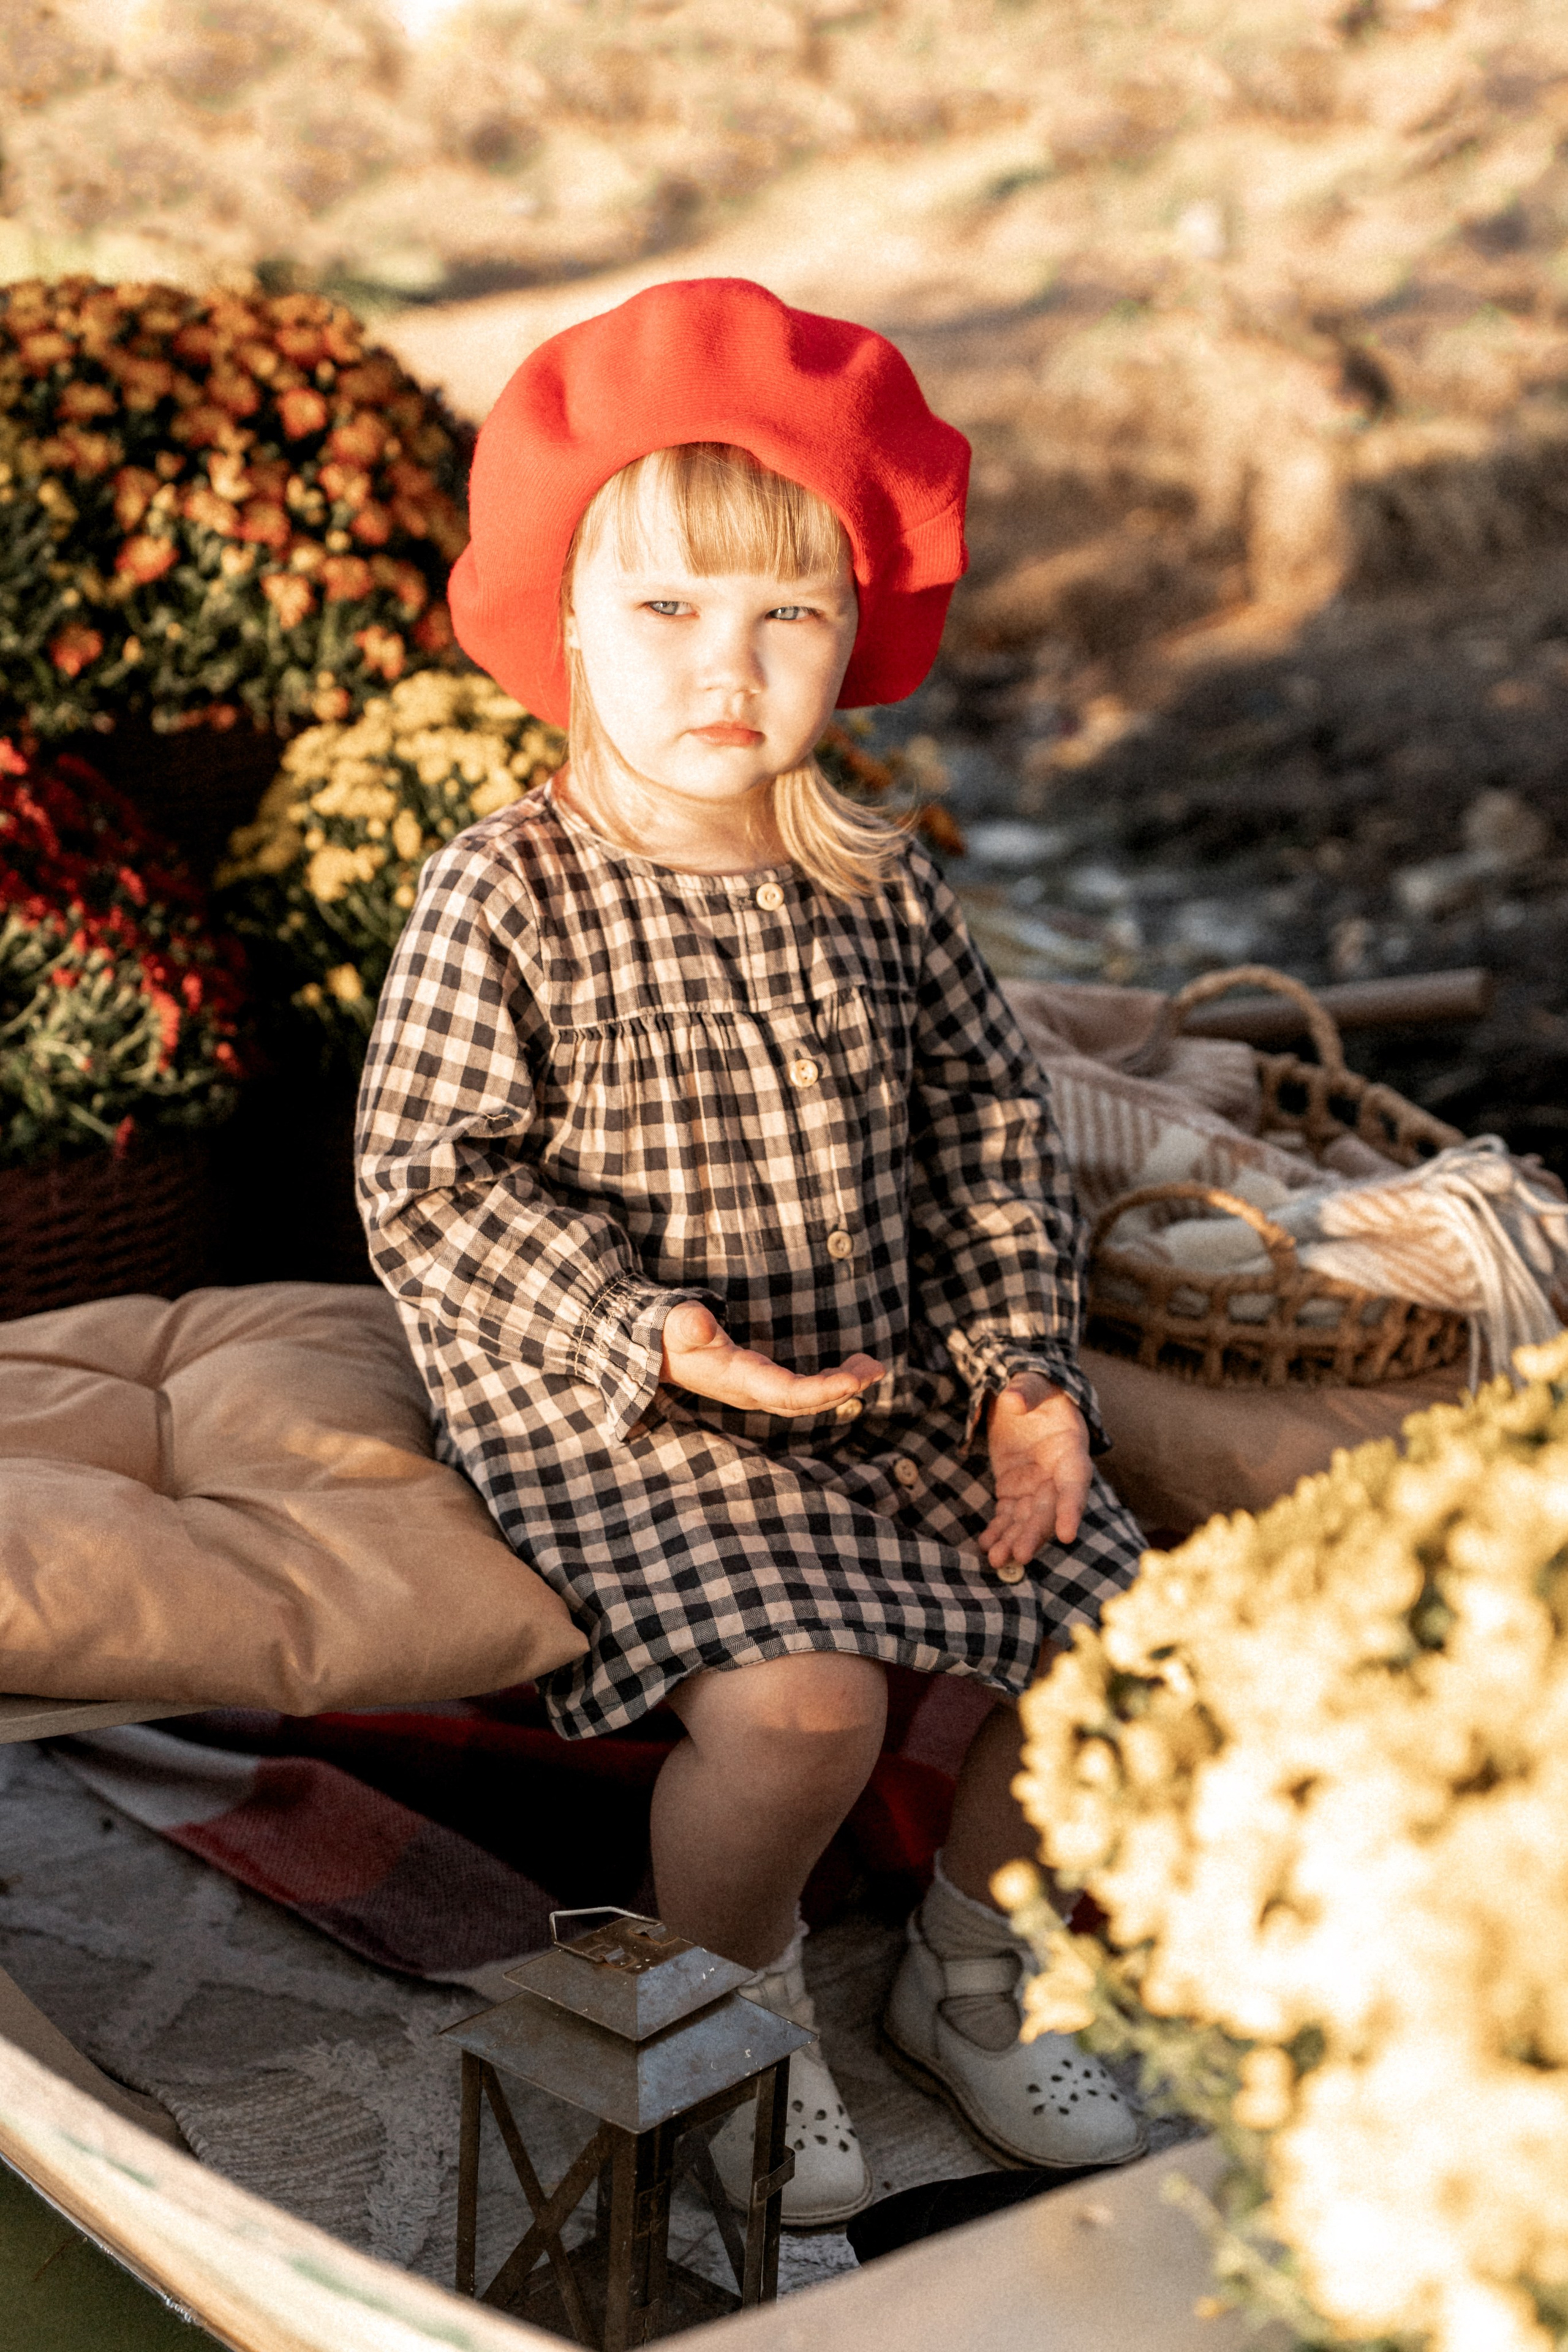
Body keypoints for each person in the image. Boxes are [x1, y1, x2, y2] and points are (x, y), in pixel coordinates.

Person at [356, 278, 1147, 2223]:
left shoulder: (875, 886)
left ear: (856, 637)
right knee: (808, 1709)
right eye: (668, 609)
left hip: (874, 1369)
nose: (730, 662)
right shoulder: (505, 888)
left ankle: (968, 1970)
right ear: (560, 630)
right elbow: (429, 1182)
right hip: (620, 1397)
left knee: (1144, 1645)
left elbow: (988, 1144)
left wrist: (1030, 1379)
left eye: (788, 612)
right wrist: (659, 1340)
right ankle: (726, 2004)